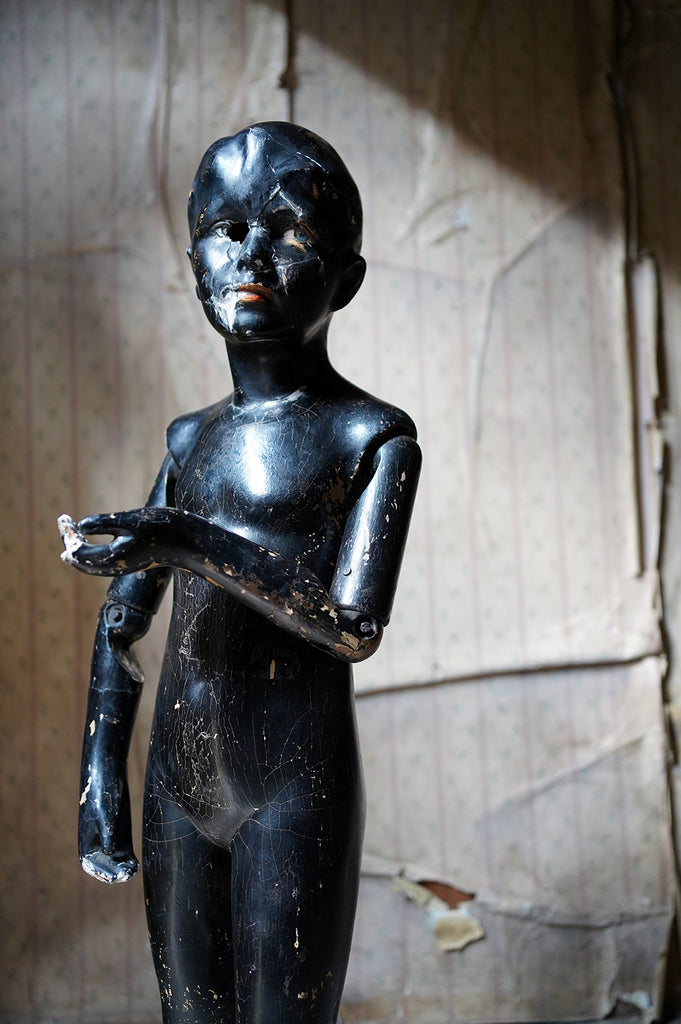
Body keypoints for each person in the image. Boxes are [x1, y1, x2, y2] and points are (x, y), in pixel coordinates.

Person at [59, 122, 420, 1024]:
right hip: (176, 787)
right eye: (226, 230)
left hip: (294, 790)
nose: (251, 254)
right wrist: (101, 775)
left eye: (290, 231)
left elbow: (351, 627)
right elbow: (122, 620)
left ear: (346, 278)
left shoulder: (370, 437)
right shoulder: (190, 441)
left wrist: (185, 540)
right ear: (194, 264)